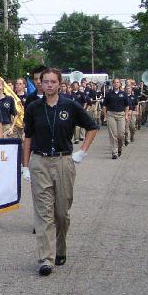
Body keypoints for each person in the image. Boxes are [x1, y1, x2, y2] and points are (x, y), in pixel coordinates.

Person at [22, 68, 98, 276]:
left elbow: (92, 127)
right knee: (43, 212)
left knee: (61, 213)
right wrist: (25, 165)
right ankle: (46, 258)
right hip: (40, 161)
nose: (48, 85)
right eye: (44, 81)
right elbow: (28, 136)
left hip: (64, 161)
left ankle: (60, 247)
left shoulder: (70, 106)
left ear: (59, 84)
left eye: (52, 82)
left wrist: (82, 151)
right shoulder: (33, 107)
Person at [102, 78, 130, 159]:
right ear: (113, 84)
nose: (116, 84)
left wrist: (126, 115)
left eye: (118, 82)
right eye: (115, 82)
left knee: (121, 135)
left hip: (121, 115)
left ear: (120, 84)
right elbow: (104, 106)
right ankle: (114, 152)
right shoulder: (109, 94)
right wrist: (105, 115)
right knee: (113, 135)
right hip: (111, 115)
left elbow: (127, 106)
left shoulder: (123, 94)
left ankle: (120, 148)